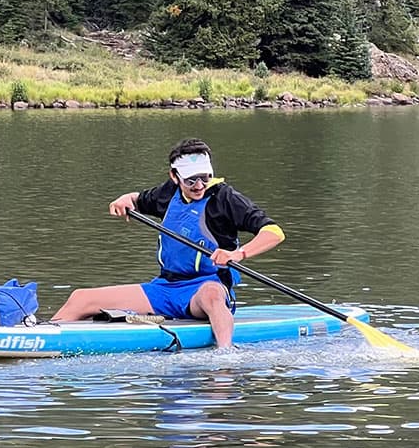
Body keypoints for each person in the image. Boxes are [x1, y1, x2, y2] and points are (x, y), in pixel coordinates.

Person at [48, 138, 285, 348]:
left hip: (205, 289)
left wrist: (237, 254)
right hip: (164, 288)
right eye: (191, 180)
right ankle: (41, 339)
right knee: (81, 298)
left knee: (212, 295)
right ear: (174, 176)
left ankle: (225, 358)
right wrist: (125, 199)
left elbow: (273, 232)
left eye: (204, 178)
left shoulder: (225, 198)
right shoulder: (167, 193)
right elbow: (137, 199)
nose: (199, 186)